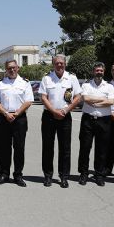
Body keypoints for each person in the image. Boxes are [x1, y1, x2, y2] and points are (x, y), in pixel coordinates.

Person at [39, 54, 82, 188]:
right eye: (57, 63)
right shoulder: (47, 78)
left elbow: (78, 97)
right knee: (48, 147)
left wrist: (66, 110)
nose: (59, 65)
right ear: (53, 64)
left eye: (61, 63)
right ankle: (48, 176)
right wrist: (54, 111)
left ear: (65, 64)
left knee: (65, 148)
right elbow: (43, 97)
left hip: (65, 116)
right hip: (49, 116)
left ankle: (64, 176)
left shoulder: (72, 78)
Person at [0, 60, 34, 187]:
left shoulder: (25, 83)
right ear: (5, 69)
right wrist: (5, 113)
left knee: (19, 148)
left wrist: (16, 113)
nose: (11, 70)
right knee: (4, 148)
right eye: (9, 68)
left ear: (18, 68)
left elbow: (28, 101)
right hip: (3, 118)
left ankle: (18, 175)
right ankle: (5, 174)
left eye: (14, 68)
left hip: (19, 118)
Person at [77, 62, 114, 187]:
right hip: (88, 120)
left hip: (104, 120)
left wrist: (96, 102)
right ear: (93, 71)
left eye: (101, 70)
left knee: (102, 149)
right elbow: (86, 99)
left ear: (104, 72)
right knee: (85, 148)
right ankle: (83, 174)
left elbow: (111, 101)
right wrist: (102, 100)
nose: (99, 72)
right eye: (97, 70)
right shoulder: (86, 84)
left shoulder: (109, 86)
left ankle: (99, 175)